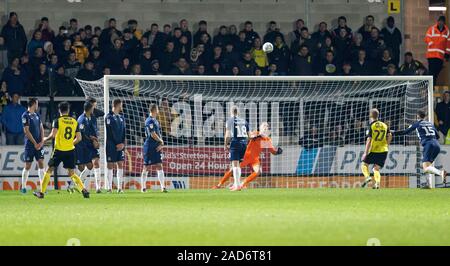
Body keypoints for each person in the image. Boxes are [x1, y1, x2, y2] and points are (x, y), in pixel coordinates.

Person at [33, 102, 89, 199]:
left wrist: (45, 139)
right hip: (70, 150)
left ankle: (41, 193)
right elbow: (79, 138)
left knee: (49, 170)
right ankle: (84, 190)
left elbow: (53, 135)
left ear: (59, 111)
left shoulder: (57, 121)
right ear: (68, 110)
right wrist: (70, 143)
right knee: (72, 173)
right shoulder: (75, 121)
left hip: (59, 150)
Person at [214, 122, 282, 189]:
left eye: (266, 126)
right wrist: (255, 136)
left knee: (258, 172)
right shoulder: (256, 133)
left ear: (268, 129)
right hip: (246, 156)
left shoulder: (267, 140)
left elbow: (272, 151)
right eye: (263, 125)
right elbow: (248, 137)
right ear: (260, 128)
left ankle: (243, 183)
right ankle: (219, 185)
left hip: (254, 159)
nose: (265, 127)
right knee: (233, 169)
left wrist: (277, 152)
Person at [392, 110, 447, 188]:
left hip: (428, 145)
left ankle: (440, 172)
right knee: (428, 167)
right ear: (424, 116)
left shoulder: (417, 124)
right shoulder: (430, 123)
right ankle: (427, 184)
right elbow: (437, 136)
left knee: (426, 167)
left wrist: (393, 132)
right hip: (437, 145)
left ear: (416, 117)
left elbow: (405, 132)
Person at [361, 109, 392, 189]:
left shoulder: (372, 125)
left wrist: (365, 152)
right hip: (383, 150)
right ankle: (377, 183)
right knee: (376, 169)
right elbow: (390, 135)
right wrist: (387, 144)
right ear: (378, 115)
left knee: (364, 164)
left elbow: (369, 139)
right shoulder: (384, 125)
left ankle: (367, 177)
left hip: (373, 149)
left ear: (370, 116)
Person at [74, 101, 101, 194]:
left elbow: (95, 130)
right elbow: (82, 134)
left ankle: (98, 188)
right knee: (86, 166)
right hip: (83, 145)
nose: (94, 109)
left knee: (93, 164)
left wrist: (96, 140)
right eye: (93, 107)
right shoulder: (81, 119)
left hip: (91, 144)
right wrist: (92, 139)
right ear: (90, 109)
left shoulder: (93, 117)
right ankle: (77, 185)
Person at [141, 104, 167, 193]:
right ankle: (143, 187)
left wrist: (160, 143)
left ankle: (163, 187)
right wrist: (161, 141)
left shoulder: (155, 121)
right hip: (149, 146)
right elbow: (153, 134)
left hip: (156, 146)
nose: (158, 110)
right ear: (154, 110)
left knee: (159, 165)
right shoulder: (149, 120)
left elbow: (158, 134)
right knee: (146, 167)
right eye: (157, 109)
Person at [20, 98, 45, 193]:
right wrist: (35, 143)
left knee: (41, 163)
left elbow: (41, 128)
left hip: (39, 144)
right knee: (28, 165)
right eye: (37, 103)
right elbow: (26, 131)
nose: (38, 105)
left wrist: (42, 141)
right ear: (34, 104)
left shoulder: (37, 115)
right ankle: (24, 187)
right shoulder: (25, 115)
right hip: (30, 145)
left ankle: (43, 187)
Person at [224, 106, 249, 191]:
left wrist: (225, 144)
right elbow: (248, 135)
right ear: (238, 112)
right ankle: (236, 184)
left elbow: (227, 135)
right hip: (244, 144)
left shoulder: (230, 121)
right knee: (238, 165)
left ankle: (238, 186)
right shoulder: (244, 121)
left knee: (234, 165)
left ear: (230, 112)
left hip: (235, 143)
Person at [105, 99, 126, 193]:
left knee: (120, 164)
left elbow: (124, 132)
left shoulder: (122, 117)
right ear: (117, 105)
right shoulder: (108, 117)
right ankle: (109, 188)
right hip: (111, 145)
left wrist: (123, 144)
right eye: (121, 105)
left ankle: (120, 188)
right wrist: (116, 143)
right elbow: (110, 132)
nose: (122, 107)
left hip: (120, 145)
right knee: (110, 165)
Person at [424, 16, 450, 84]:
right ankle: (430, 86)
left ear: (444, 22)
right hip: (431, 55)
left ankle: (431, 85)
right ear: (437, 21)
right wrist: (431, 43)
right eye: (439, 21)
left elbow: (448, 43)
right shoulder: (432, 29)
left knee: (436, 72)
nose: (440, 23)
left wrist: (447, 54)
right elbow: (427, 37)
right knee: (432, 72)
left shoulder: (447, 31)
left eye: (442, 21)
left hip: (440, 56)